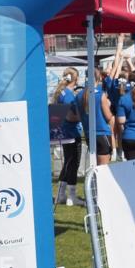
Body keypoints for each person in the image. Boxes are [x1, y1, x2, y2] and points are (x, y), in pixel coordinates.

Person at [52, 67, 83, 205]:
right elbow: (71, 116)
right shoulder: (69, 95)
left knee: (68, 163)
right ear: (75, 79)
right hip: (71, 132)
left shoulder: (61, 93)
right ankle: (71, 196)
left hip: (63, 132)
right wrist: (83, 116)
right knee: (73, 164)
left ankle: (61, 195)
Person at [75, 68, 115, 166]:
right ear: (99, 78)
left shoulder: (79, 95)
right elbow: (108, 117)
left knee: (94, 167)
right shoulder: (100, 95)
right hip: (102, 133)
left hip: (89, 134)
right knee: (103, 168)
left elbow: (79, 117)